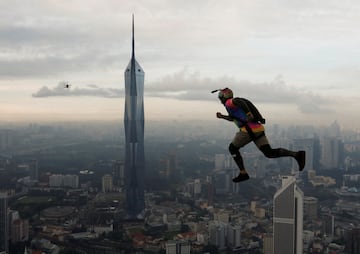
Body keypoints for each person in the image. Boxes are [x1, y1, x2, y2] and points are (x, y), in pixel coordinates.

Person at [215, 87, 306, 183]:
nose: (220, 100)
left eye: (220, 98)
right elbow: (233, 118)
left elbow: (241, 104)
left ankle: (243, 173)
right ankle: (296, 154)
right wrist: (222, 116)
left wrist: (249, 114)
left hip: (248, 130)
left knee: (232, 148)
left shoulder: (230, 102)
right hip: (258, 128)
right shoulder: (233, 106)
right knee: (269, 153)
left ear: (224, 97)